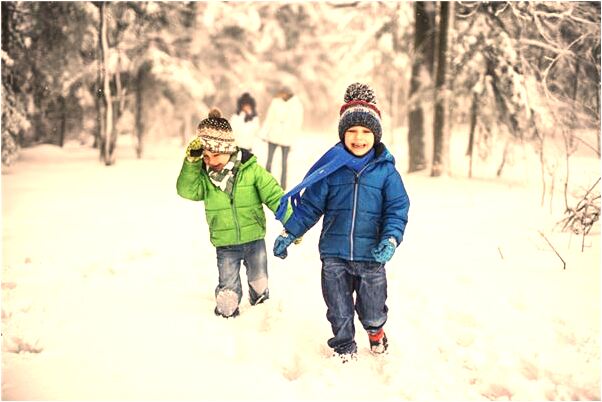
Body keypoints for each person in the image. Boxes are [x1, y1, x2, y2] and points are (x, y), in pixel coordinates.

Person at [272, 83, 410, 360]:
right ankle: (344, 346)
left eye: (366, 132)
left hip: (371, 256)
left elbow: (397, 209)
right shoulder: (332, 169)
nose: (359, 138)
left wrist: (391, 239)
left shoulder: (386, 173)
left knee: (372, 310)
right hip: (334, 255)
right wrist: (290, 232)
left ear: (376, 135)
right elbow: (310, 205)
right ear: (343, 134)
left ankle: (375, 332)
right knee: (338, 308)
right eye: (352, 131)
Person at [176, 108, 291, 318]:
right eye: (206, 157)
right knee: (228, 287)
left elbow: (275, 196)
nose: (211, 161)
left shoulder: (251, 170)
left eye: (216, 154)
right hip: (225, 243)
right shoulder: (204, 178)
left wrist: (293, 223)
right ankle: (228, 300)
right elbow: (186, 190)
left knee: (259, 281)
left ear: (229, 149)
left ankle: (260, 302)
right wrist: (192, 163)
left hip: (254, 240)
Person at [260, 86, 304, 190]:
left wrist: (294, 140)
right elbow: (269, 118)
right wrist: (263, 133)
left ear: (287, 93)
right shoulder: (275, 102)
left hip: (287, 138)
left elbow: (297, 124)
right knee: (269, 161)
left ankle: (283, 186)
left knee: (284, 164)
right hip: (273, 135)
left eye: (282, 93)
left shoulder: (296, 104)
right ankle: (266, 183)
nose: (280, 95)